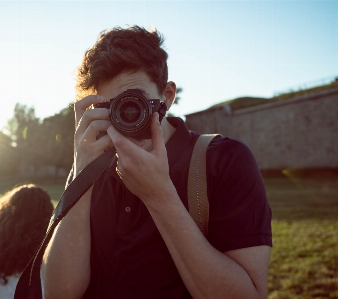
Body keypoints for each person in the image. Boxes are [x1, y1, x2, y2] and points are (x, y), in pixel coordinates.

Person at [40, 25, 272, 299]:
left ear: (167, 96)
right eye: (111, 107)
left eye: (134, 100)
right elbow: (58, 293)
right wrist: (82, 173)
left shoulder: (223, 160)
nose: (125, 115)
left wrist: (159, 195)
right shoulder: (91, 168)